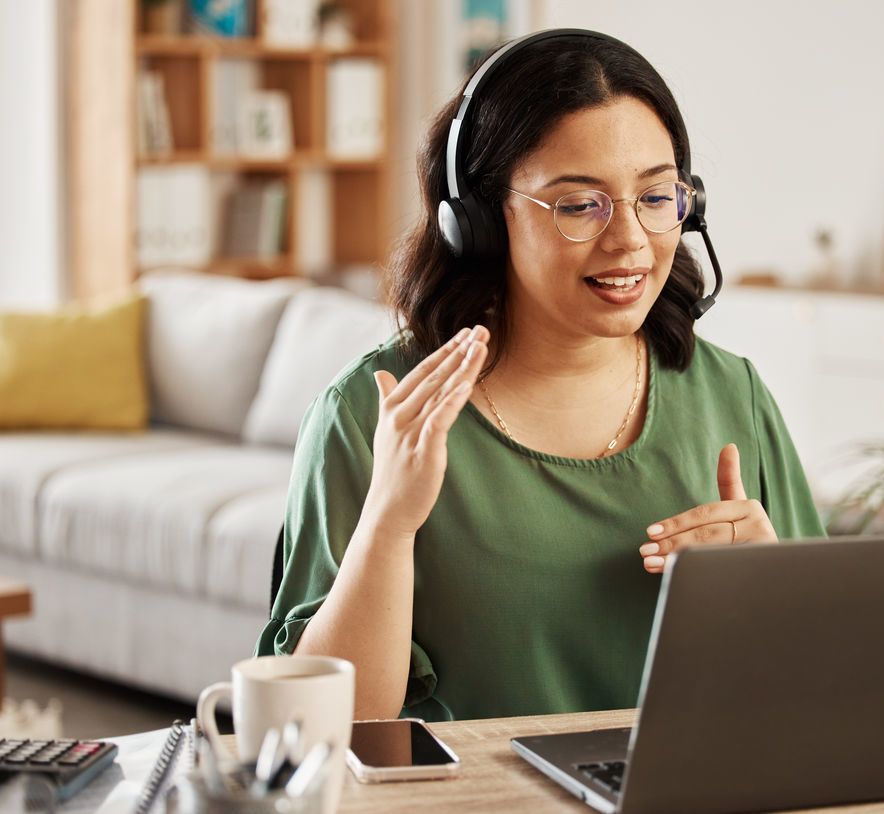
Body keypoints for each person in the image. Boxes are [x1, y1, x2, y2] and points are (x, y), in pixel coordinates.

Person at [256, 31, 825, 722]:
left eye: (654, 197)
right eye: (580, 204)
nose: (630, 242)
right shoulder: (374, 412)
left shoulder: (734, 395)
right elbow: (328, 732)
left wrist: (772, 589)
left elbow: (818, 696)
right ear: (479, 221)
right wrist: (389, 525)